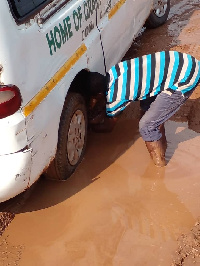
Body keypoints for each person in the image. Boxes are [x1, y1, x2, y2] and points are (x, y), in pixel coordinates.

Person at [88, 51, 200, 167]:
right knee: (148, 112)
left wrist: (90, 125)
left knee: (146, 126)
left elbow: (108, 127)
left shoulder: (116, 97)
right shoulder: (115, 70)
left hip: (185, 78)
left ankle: (159, 168)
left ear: (99, 95)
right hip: (182, 61)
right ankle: (162, 144)